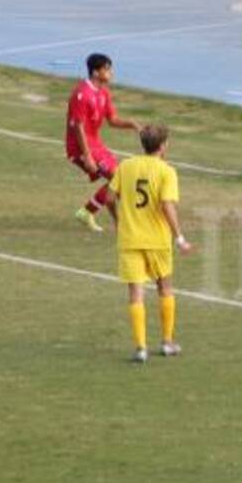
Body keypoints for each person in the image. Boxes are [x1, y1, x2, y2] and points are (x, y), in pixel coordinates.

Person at [104, 124, 192, 363]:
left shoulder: (126, 166)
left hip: (130, 239)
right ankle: (166, 342)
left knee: (136, 294)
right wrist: (180, 237)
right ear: (163, 146)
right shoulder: (166, 172)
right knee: (165, 287)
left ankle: (141, 348)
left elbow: (109, 199)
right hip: (157, 241)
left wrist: (118, 221)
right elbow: (167, 205)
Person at [66, 52, 138, 233]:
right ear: (96, 72)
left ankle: (86, 212)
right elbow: (78, 127)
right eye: (107, 69)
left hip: (96, 144)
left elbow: (112, 120)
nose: (111, 73)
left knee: (122, 179)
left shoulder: (104, 93)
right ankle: (119, 224)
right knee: (119, 179)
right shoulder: (81, 94)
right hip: (80, 147)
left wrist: (133, 125)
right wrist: (87, 156)